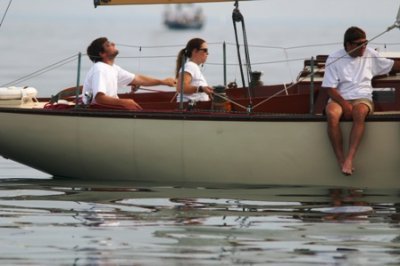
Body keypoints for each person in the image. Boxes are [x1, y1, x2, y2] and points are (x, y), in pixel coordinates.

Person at [322, 26, 400, 175]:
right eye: (360, 44)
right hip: (340, 97)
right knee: (332, 114)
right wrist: (345, 105)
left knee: (360, 112)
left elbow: (392, 65)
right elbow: (330, 88)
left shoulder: (370, 54)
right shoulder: (334, 57)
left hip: (362, 97)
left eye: (366, 42)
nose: (364, 47)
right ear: (348, 45)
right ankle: (340, 160)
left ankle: (350, 158)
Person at [83, 37, 176, 110]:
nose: (113, 44)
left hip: (109, 109)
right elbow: (100, 98)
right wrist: (125, 102)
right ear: (102, 54)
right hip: (101, 110)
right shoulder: (100, 68)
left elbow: (139, 79)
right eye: (108, 45)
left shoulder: (113, 68)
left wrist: (163, 82)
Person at [175, 38, 214, 102]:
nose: (207, 53)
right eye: (205, 50)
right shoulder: (190, 66)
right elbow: (180, 87)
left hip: (196, 107)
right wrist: (201, 89)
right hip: (189, 108)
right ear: (195, 51)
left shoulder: (193, 67)